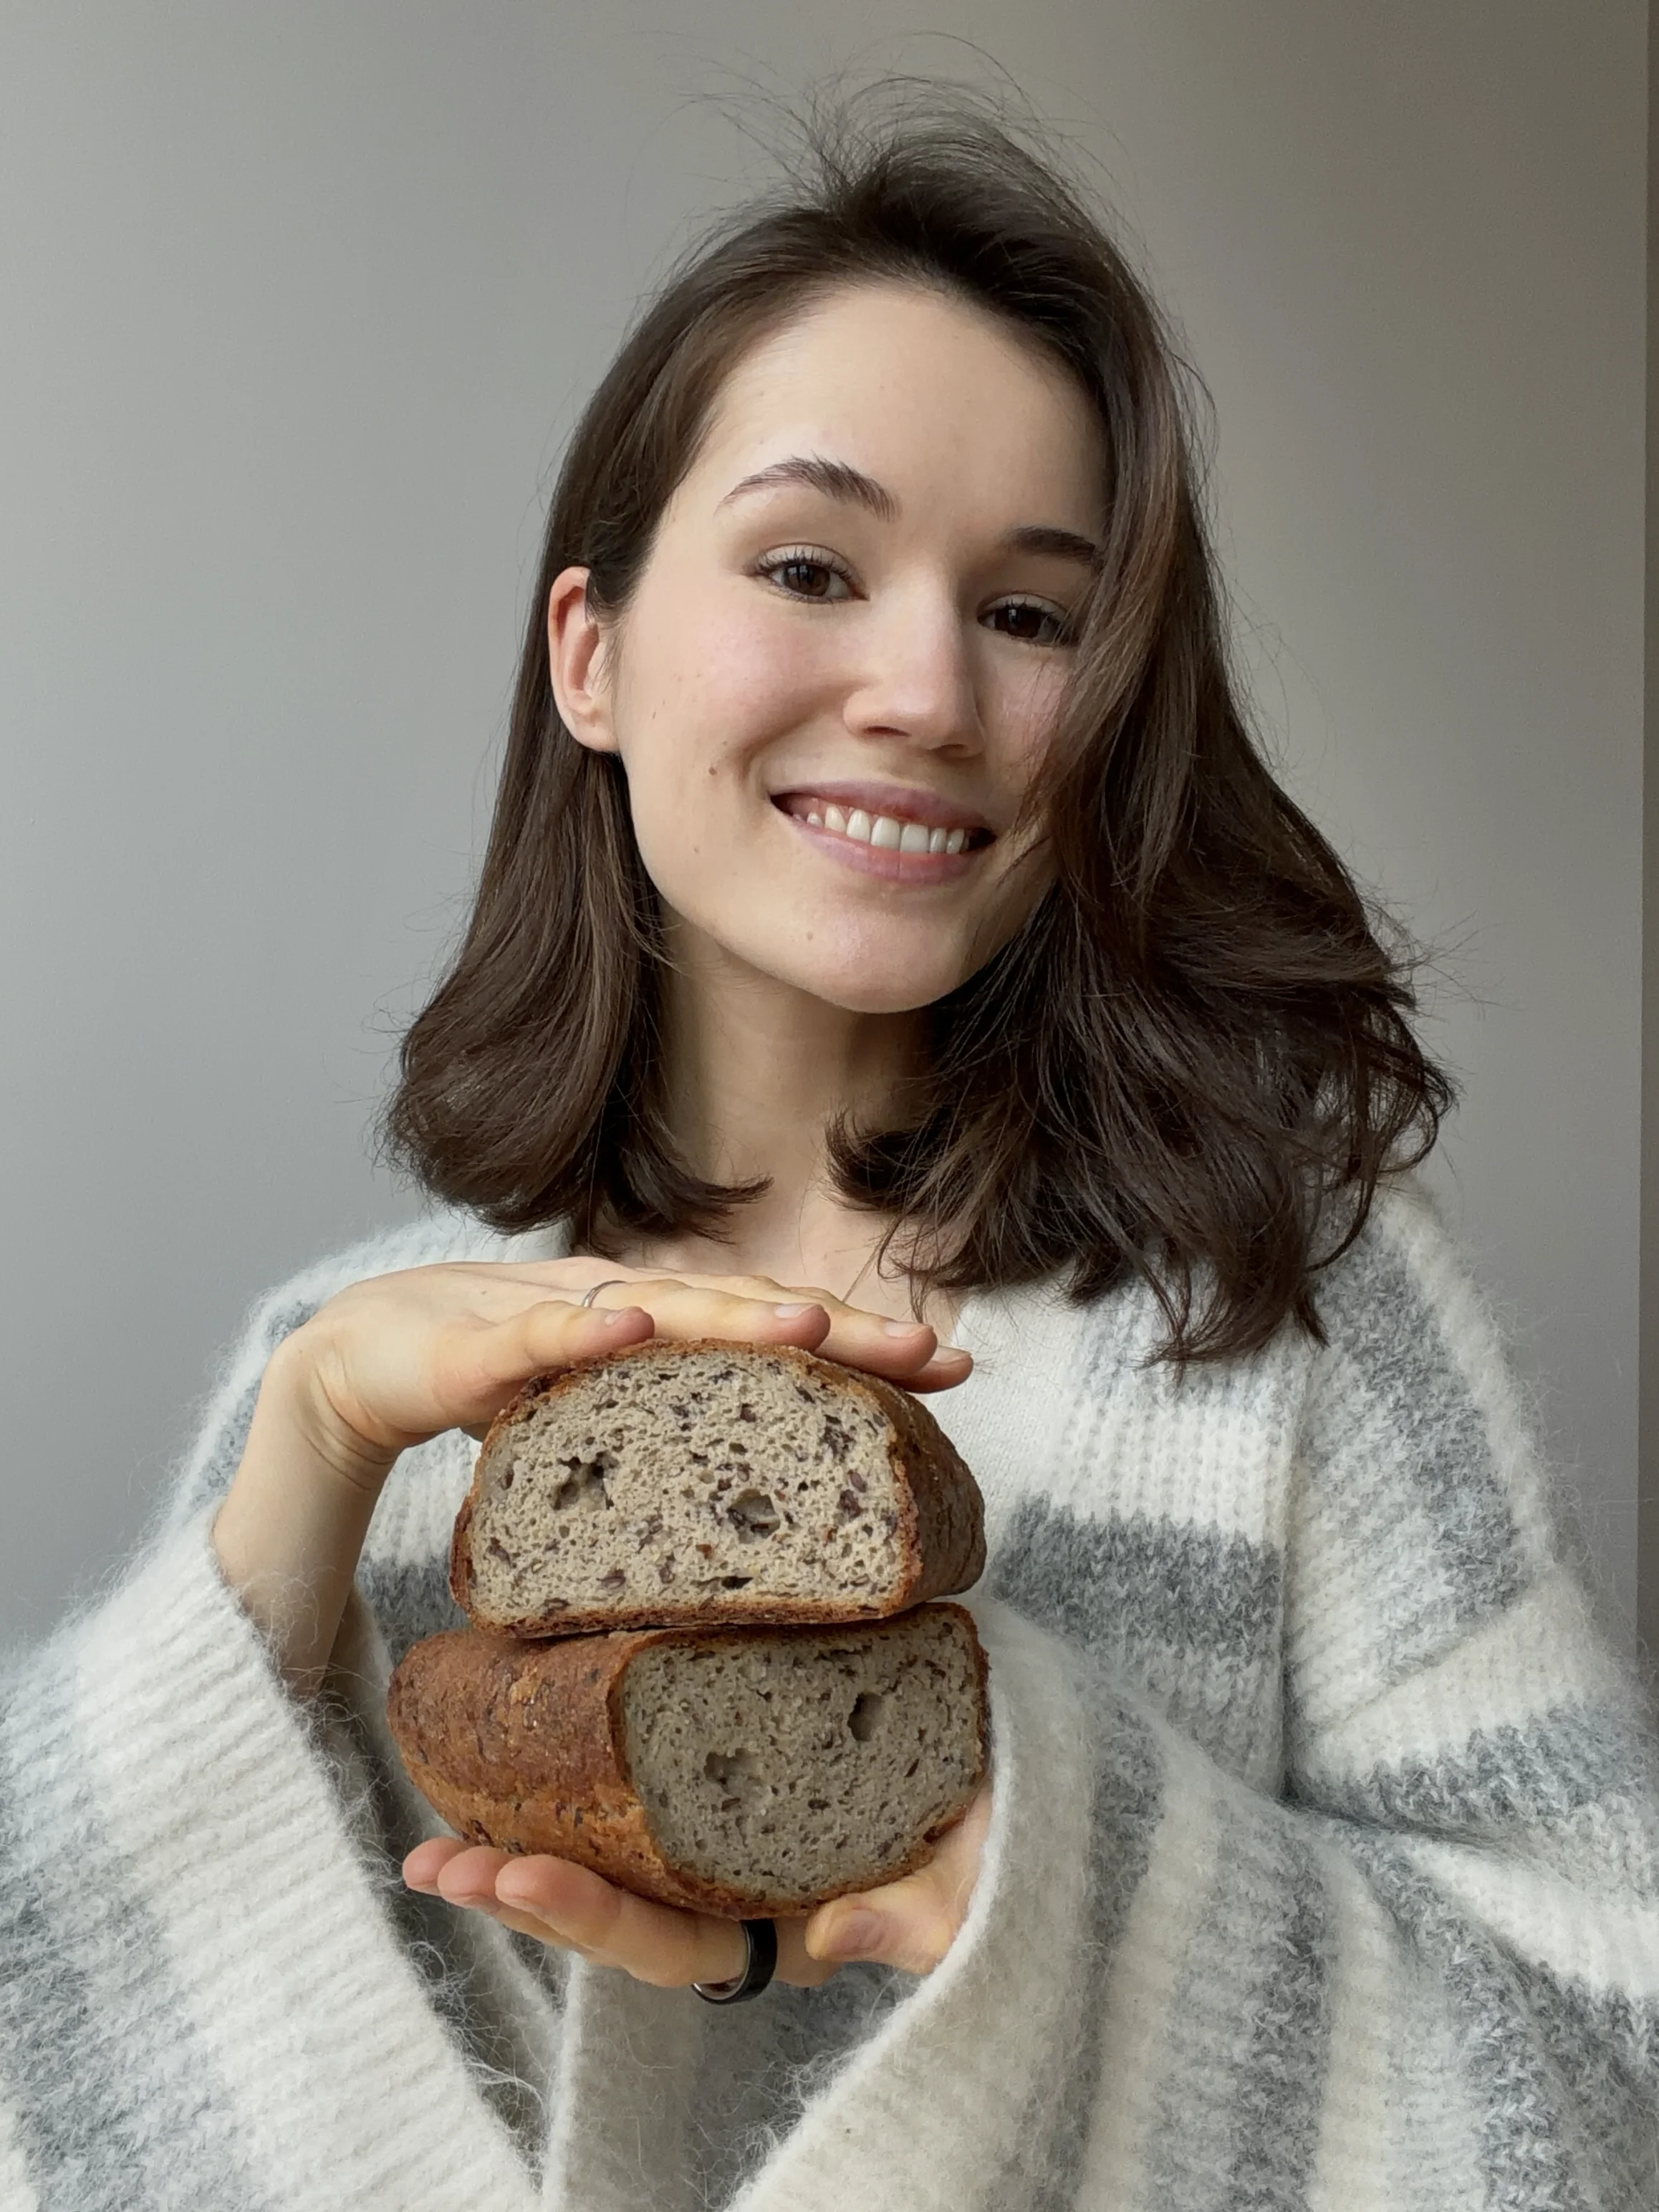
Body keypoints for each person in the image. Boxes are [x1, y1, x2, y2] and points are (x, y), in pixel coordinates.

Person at [4, 94, 1655, 2212]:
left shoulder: (1293, 1314)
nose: (923, 691)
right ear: (589, 655)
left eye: (1035, 616)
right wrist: (295, 1490)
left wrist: (1011, 1870)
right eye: (809, 568)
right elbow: (66, 2088)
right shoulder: (354, 1370)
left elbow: (1604, 2068)